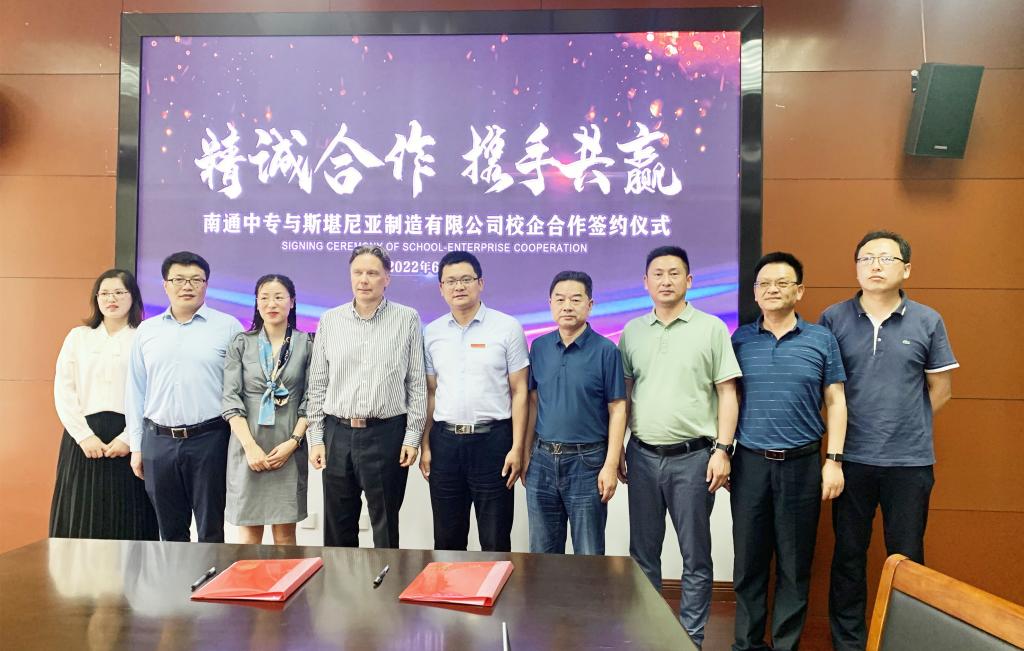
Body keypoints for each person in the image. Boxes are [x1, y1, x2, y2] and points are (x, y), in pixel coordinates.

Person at [822, 231, 958, 651]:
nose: (875, 266)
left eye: (886, 258)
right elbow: (826, 391)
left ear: (907, 269)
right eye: (866, 258)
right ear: (856, 268)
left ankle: (905, 642)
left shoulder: (927, 320)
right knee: (848, 556)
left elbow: (941, 390)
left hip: (909, 463)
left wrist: (903, 421)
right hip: (850, 459)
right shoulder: (833, 319)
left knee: (907, 559)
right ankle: (848, 643)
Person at [618, 245, 741, 648]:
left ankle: (690, 638)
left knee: (695, 555)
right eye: (658, 273)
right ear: (645, 282)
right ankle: (650, 635)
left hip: (694, 458)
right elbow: (625, 395)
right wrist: (617, 449)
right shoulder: (632, 331)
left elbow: (727, 392)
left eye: (674, 273)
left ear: (689, 280)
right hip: (642, 455)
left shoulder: (712, 328)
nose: (666, 280)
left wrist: (722, 450)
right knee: (642, 555)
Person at [730, 252, 848, 651]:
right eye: (764, 284)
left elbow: (836, 400)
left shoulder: (821, 339)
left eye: (782, 283)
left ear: (799, 291)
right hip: (749, 464)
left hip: (802, 464)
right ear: (754, 293)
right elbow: (727, 400)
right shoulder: (740, 340)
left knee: (795, 566)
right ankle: (746, 645)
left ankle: (785, 645)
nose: (772, 290)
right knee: (748, 564)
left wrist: (833, 460)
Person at [305, 245, 426, 548]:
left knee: (385, 524)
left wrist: (412, 437)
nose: (364, 280)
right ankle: (339, 579)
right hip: (337, 432)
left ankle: (385, 580)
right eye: (357, 272)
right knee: (338, 525)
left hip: (386, 433)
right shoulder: (330, 320)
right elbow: (317, 383)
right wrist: (316, 438)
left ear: (387, 278)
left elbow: (416, 382)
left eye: (372, 273)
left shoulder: (407, 319)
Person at [126, 251, 243, 542]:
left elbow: (241, 387)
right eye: (178, 279)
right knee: (169, 531)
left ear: (206, 284)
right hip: (158, 441)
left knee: (211, 528)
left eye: (195, 280)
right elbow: (135, 391)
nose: (187, 286)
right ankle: (174, 575)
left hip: (210, 439)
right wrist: (137, 447)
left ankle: (211, 574)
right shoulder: (147, 330)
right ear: (165, 285)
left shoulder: (229, 327)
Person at [419, 251, 529, 552]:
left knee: (495, 538)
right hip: (445, 444)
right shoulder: (432, 333)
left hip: (493, 442)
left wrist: (517, 447)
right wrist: (425, 445)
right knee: (447, 539)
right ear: (441, 288)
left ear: (480, 283)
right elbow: (431, 392)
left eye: (466, 279)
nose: (459, 286)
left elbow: (520, 391)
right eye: (451, 281)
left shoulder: (507, 327)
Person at [49, 268, 159, 540]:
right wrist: (84, 436)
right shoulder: (79, 336)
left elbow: (153, 392)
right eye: (105, 293)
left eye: (119, 292)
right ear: (96, 298)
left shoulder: (146, 336)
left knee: (129, 514)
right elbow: (64, 389)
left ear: (133, 297)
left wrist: (129, 438)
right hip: (84, 439)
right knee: (80, 512)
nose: (112, 299)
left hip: (130, 437)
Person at [523, 270, 626, 555]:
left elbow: (618, 408)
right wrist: (526, 453)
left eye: (576, 299)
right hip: (542, 460)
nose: (567, 306)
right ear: (550, 303)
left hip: (587, 462)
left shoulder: (606, 351)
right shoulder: (539, 347)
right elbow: (533, 402)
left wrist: (610, 464)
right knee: (542, 554)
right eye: (560, 299)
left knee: (588, 555)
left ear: (590, 305)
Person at [221, 274, 313, 545]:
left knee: (285, 534)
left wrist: (293, 443)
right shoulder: (241, 343)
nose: (271, 304)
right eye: (264, 298)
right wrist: (250, 447)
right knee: (249, 534)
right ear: (257, 303)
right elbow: (230, 399)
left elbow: (312, 399)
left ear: (292, 302)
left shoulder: (307, 344)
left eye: (279, 297)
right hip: (247, 445)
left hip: (289, 445)